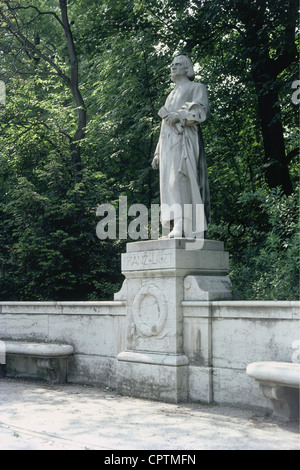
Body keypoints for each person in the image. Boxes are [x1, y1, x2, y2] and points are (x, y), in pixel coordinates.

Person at [152, 55, 211, 238]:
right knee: (169, 184)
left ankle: (183, 224)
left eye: (177, 64)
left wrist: (180, 116)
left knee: (181, 180)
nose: (173, 67)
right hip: (169, 144)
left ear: (187, 68)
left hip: (185, 140)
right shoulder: (171, 94)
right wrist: (158, 152)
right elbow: (163, 127)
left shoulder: (196, 88)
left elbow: (202, 110)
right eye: (172, 64)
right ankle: (176, 224)